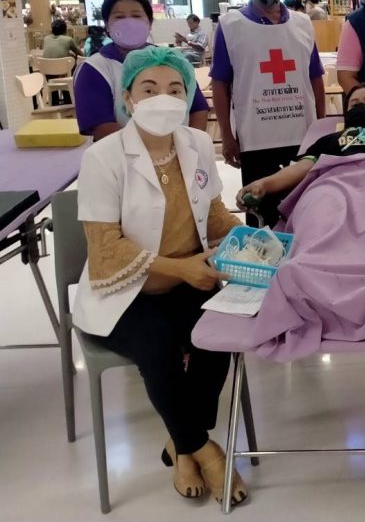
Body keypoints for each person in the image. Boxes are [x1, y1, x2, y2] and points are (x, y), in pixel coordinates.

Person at [74, 48, 248, 506]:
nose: (163, 99)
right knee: (157, 347)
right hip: (126, 291)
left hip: (188, 282)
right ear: (128, 98)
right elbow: (105, 248)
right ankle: (206, 452)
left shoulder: (196, 145)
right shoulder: (104, 158)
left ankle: (181, 444)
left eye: (175, 89)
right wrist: (181, 267)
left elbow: (213, 214)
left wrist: (253, 243)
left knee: (219, 336)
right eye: (149, 90)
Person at [210, 0, 326, 228]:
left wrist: (321, 128)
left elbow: (315, 78)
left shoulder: (302, 24)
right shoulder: (230, 26)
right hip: (256, 138)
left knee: (307, 211)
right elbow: (220, 84)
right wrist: (227, 134)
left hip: (301, 134)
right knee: (261, 214)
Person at [237, 83, 365, 213]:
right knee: (320, 208)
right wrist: (264, 183)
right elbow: (301, 168)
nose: (361, 105)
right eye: (354, 104)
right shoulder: (330, 141)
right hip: (335, 189)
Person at [74, 0, 209, 141]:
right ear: (107, 26)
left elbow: (198, 108)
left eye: (136, 16)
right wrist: (151, 150)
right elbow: (101, 126)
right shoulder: (95, 68)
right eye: (119, 17)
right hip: (122, 154)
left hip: (179, 152)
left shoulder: (170, 60)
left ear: (149, 23)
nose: (129, 23)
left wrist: (187, 145)